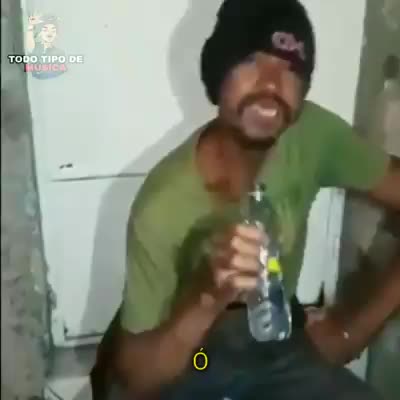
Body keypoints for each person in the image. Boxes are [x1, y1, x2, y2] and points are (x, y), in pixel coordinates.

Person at [113, 1, 400, 398]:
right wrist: (207, 294)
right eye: (250, 60)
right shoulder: (162, 206)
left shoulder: (313, 136)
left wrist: (352, 329)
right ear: (218, 73)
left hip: (280, 349)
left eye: (290, 69)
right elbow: (137, 378)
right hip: (192, 361)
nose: (270, 84)